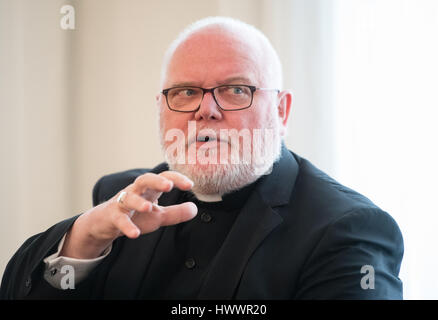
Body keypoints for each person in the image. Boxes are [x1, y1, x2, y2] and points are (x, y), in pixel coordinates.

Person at [0, 16, 403, 300]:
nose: (204, 110)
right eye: (186, 92)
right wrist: (83, 239)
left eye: (234, 90)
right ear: (161, 110)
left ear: (281, 112)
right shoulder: (119, 199)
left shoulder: (349, 230)